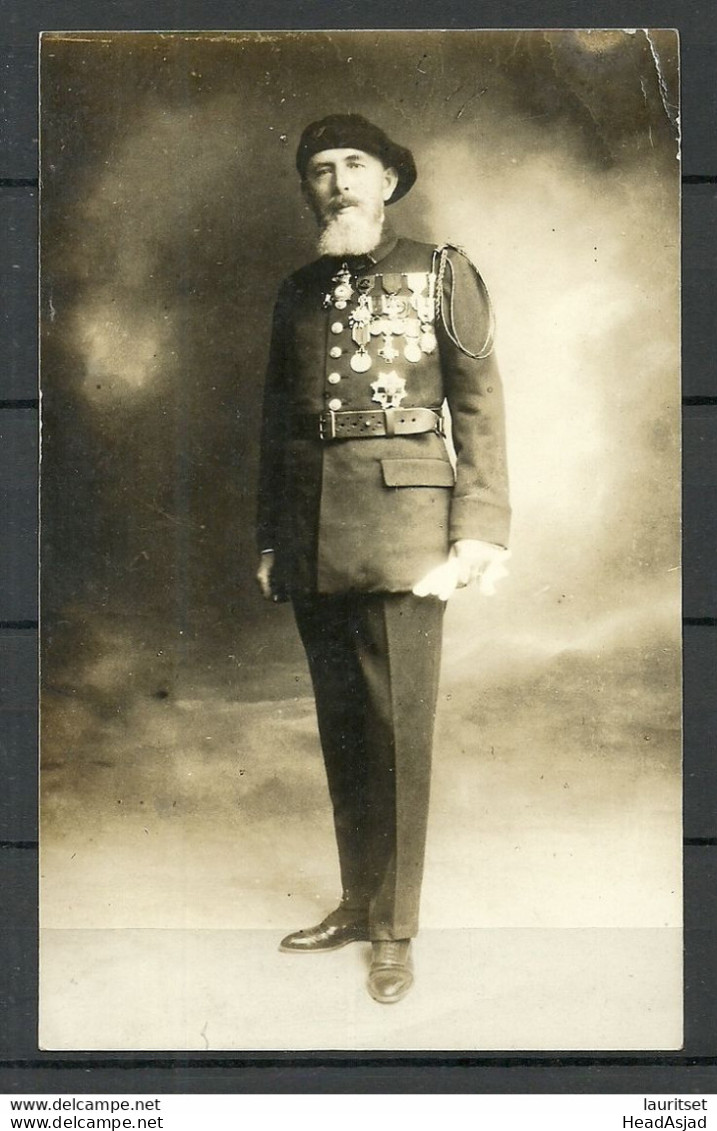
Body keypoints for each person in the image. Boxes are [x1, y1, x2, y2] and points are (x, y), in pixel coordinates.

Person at [256, 113, 510, 1005]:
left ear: (390, 181)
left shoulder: (441, 271)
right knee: (341, 728)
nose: (337, 183)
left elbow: (478, 407)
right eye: (319, 170)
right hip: (315, 526)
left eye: (354, 165)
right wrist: (272, 536)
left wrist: (477, 528)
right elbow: (277, 425)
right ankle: (357, 904)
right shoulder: (296, 291)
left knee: (396, 734)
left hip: (409, 525)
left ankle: (394, 928)